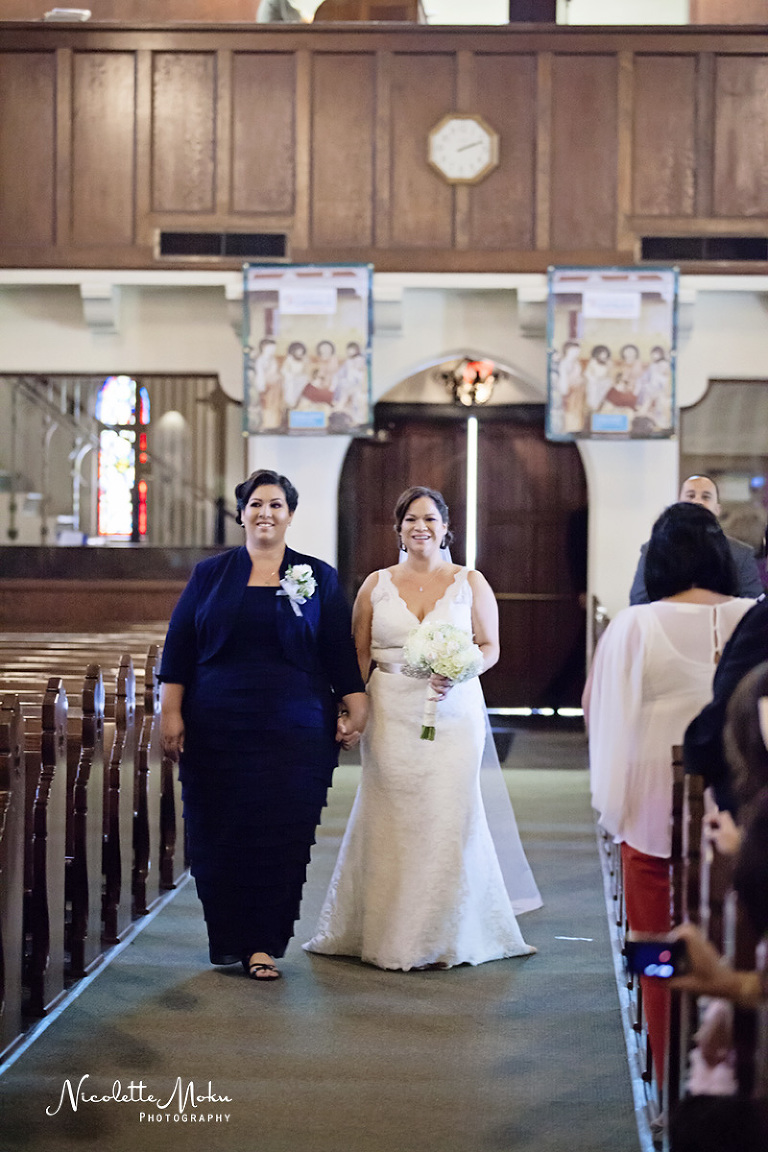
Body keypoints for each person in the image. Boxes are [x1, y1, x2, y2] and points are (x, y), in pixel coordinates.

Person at [304, 485, 540, 971]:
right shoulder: (376, 585)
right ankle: (389, 930)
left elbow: (490, 646)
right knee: (392, 812)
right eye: (411, 519)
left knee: (449, 812)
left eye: (430, 518)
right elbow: (359, 654)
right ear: (398, 529)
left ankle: (445, 934)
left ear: (446, 527)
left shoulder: (470, 581)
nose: (421, 527)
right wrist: (349, 709)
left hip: (454, 712)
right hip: (390, 711)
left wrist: (462, 668)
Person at [159, 469, 367, 981]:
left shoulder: (318, 576)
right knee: (220, 833)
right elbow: (179, 647)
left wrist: (356, 706)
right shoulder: (210, 574)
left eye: (276, 505)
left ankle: (262, 946)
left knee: (280, 837)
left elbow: (339, 651)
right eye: (256, 504)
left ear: (290, 515)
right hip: (216, 728)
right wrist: (171, 711)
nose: (265, 513)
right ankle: (229, 937)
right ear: (241, 514)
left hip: (294, 732)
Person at [584, 501, 754, 1080]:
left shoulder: (635, 625)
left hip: (655, 812)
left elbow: (599, 715)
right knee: (738, 933)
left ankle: (666, 1068)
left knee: (655, 940)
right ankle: (731, 1070)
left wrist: (615, 805)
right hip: (742, 812)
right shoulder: (755, 616)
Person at [629, 475, 763, 605]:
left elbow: (752, 607)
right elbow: (639, 602)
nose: (698, 501)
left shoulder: (741, 554)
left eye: (706, 497)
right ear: (679, 504)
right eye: (690, 496)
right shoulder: (654, 548)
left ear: (717, 509)